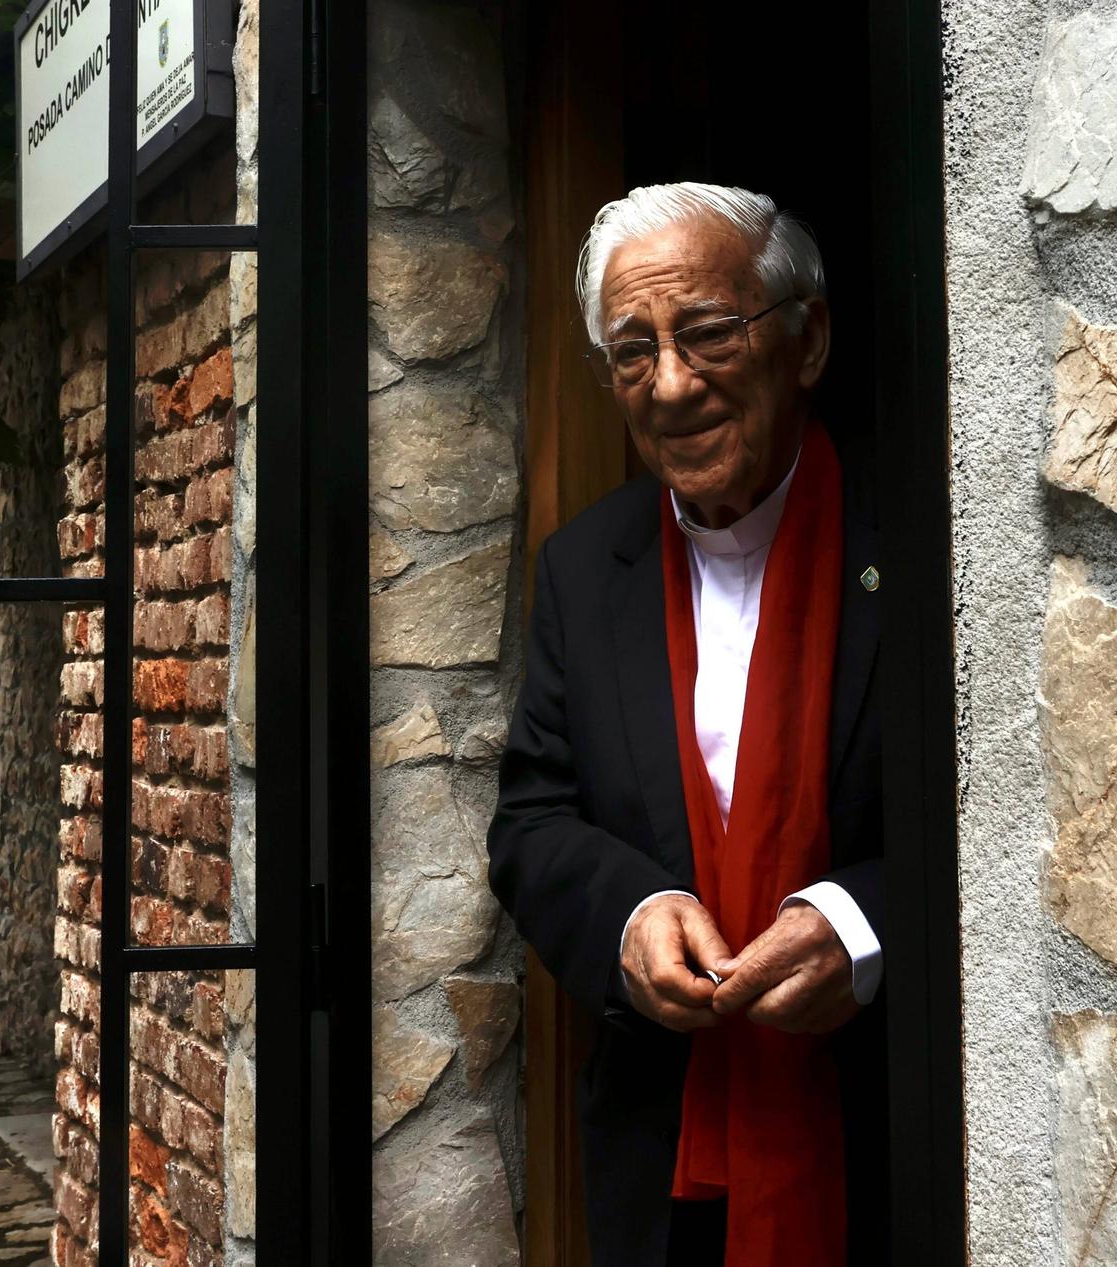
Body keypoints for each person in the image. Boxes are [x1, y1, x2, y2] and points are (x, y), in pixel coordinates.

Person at [487, 183, 887, 1267]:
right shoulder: (582, 568)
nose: (669, 384)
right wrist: (633, 912)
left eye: (707, 332)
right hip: (661, 1161)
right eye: (631, 351)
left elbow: (1003, 806)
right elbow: (529, 821)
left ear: (804, 342)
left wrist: (860, 927)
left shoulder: (912, 537)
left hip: (883, 1141)